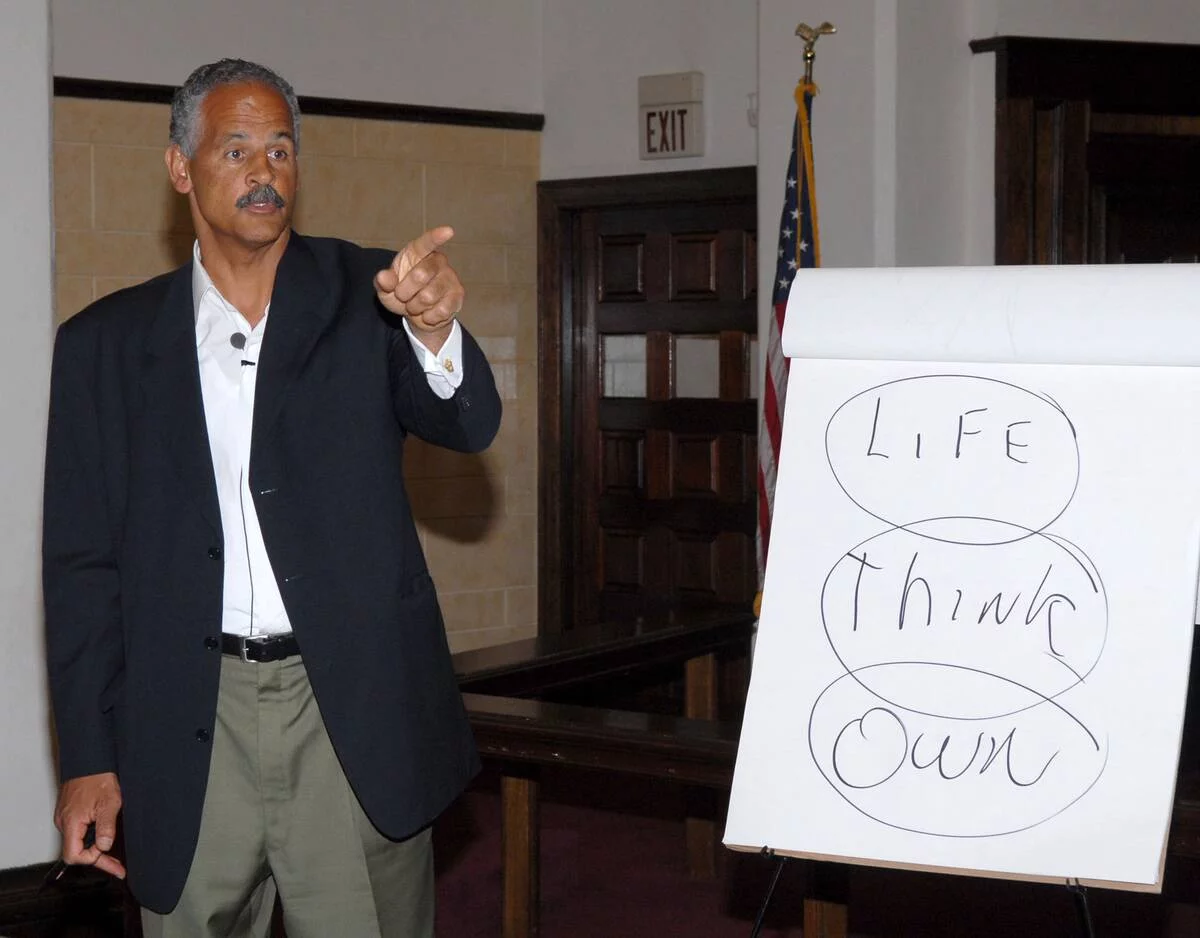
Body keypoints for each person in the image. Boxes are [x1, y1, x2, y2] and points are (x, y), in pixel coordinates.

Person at [42, 58, 501, 937]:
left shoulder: (373, 299)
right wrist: (89, 758)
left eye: (281, 150)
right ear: (181, 170)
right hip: (188, 713)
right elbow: (80, 566)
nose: (264, 171)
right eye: (237, 149)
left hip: (346, 714)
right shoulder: (103, 346)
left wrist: (436, 330)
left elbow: (467, 421)